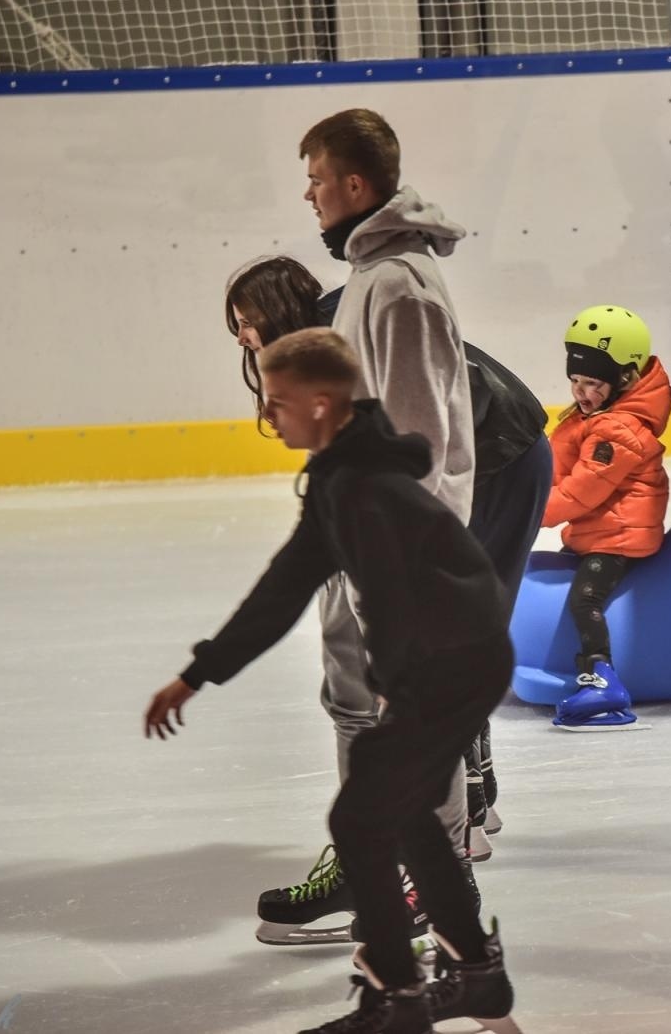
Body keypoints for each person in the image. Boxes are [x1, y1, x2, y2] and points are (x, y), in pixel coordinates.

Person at [144, 329, 522, 1034]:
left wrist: (397, 686)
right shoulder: (339, 479)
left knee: (359, 817)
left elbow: (399, 592)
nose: (267, 414)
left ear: (321, 404)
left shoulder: (362, 487)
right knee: (401, 816)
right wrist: (199, 674)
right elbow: (283, 590)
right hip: (455, 657)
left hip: (450, 661)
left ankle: (402, 998)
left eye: (277, 401)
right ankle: (475, 975)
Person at [253, 108, 549, 947]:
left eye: (315, 179)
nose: (308, 196)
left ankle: (431, 874)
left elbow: (427, 441)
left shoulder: (399, 286)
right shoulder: (370, 277)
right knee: (358, 704)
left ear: (354, 184)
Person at [226, 258, 551, 851]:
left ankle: (462, 819)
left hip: (504, 456)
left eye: (247, 321)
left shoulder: (342, 337)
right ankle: (473, 802)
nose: (243, 338)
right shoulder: (316, 347)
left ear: (276, 309)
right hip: (490, 453)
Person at [540, 306, 671, 730]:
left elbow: (580, 494)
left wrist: (528, 512)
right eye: (575, 381)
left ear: (626, 379)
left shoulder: (616, 432)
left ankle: (602, 679)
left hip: (618, 538)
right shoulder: (600, 417)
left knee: (586, 598)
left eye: (593, 383)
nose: (581, 392)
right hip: (602, 531)